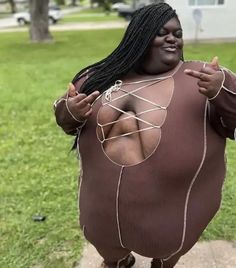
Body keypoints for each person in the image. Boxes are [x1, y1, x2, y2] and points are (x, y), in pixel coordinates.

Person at [53, 3, 236, 268]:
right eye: (161, 32)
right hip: (101, 211)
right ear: (138, 36)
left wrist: (221, 92)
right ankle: (116, 260)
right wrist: (69, 111)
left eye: (177, 33)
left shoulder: (202, 79)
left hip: (172, 216)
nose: (172, 38)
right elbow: (65, 119)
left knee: (167, 248)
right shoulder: (99, 78)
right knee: (108, 247)